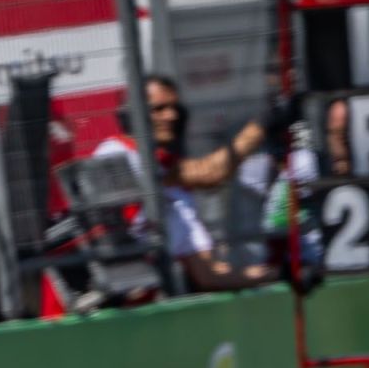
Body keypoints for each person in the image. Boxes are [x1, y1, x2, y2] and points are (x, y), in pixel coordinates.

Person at [91, 74, 280, 292]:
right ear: (134, 114)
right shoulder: (117, 152)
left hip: (167, 284)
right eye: (159, 109)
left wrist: (278, 273)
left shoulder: (170, 187)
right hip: (130, 287)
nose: (171, 116)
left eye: (174, 109)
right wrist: (264, 122)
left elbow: (210, 274)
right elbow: (211, 173)